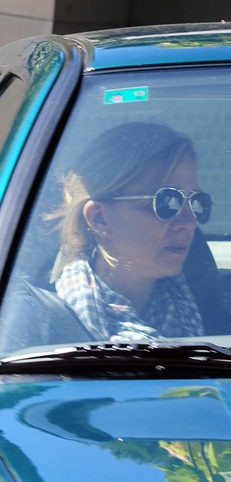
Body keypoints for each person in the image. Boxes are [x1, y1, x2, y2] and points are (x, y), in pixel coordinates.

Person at [48, 122, 214, 342]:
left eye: (195, 201)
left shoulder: (207, 313)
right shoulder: (45, 327)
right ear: (99, 218)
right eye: (166, 203)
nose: (189, 222)